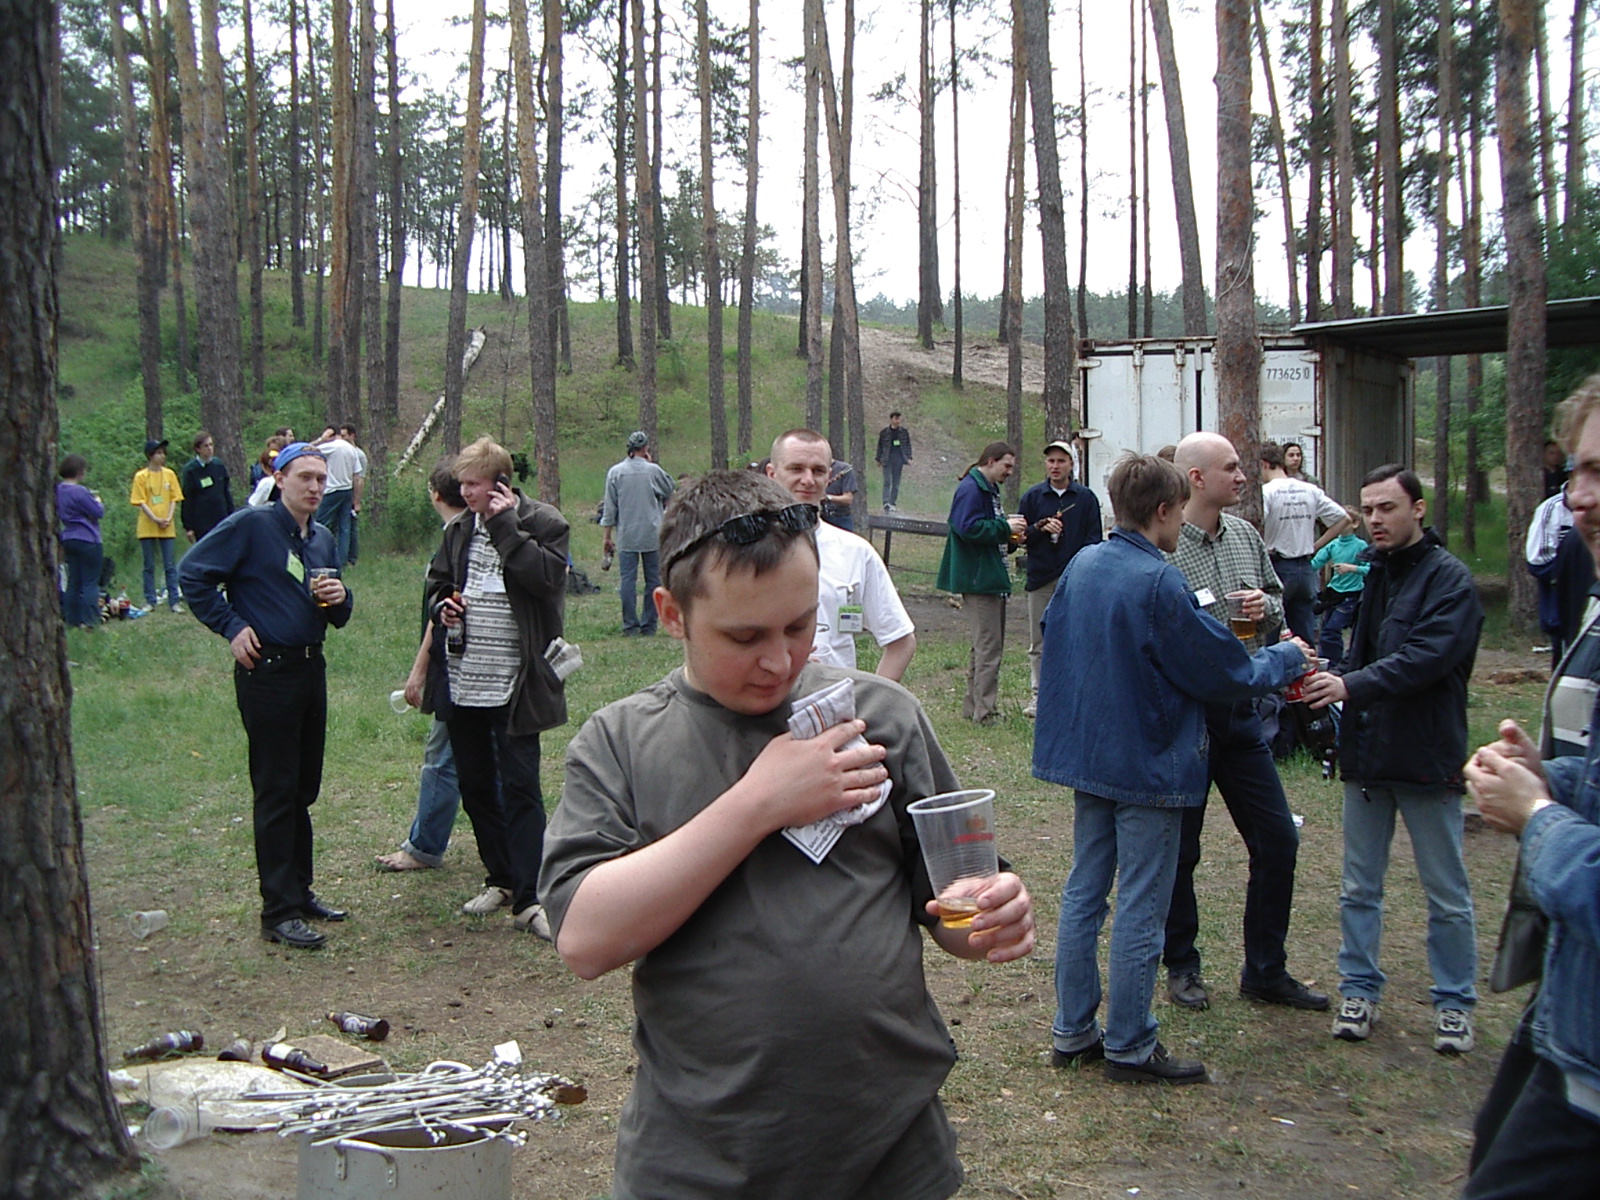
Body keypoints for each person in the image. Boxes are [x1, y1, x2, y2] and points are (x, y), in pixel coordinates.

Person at [539, 468, 1035, 1198]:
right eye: (744, 636)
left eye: (800, 626)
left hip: (892, 1153)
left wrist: (994, 912)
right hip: (700, 1161)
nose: (780, 661)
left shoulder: (882, 717)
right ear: (671, 613)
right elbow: (585, 940)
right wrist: (758, 803)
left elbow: (954, 906)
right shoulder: (621, 742)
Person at [1036, 453, 1310, 1084]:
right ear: (1163, 511)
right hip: (1148, 763)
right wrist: (1287, 657)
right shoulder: (1160, 581)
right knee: (1141, 901)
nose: (1182, 522)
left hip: (1093, 755)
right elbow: (1223, 670)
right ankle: (1131, 1045)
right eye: (1179, 511)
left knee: (1085, 893)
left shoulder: (1084, 563)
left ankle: (1073, 1030)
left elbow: (1058, 632)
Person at [1459, 375, 1600, 1198]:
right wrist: (1559, 778)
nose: (1580, 498)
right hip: (1569, 1023)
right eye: (1577, 472)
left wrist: (1539, 815)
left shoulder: (1447, 580)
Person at [1303, 464, 1483, 1053]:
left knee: (1445, 891)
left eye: (1388, 508)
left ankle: (1454, 1002)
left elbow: (1425, 659)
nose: (1375, 520)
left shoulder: (1450, 581)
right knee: (1359, 885)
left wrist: (1349, 686)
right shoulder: (1376, 571)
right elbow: (1365, 654)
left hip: (1426, 754)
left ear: (1418, 509)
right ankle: (1358, 989)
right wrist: (1328, 672)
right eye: (1369, 509)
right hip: (1369, 752)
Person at [1159, 432, 1328, 1014]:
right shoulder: (1165, 545)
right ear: (1197, 478)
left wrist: (1264, 604)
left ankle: (1265, 971)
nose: (1242, 476)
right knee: (1181, 852)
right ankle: (1182, 965)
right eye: (1231, 468)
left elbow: (1279, 604)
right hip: (1187, 720)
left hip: (1243, 715)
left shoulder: (1246, 536)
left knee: (1278, 838)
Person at [178, 442, 353, 949]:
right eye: (305, 477)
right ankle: (278, 912)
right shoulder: (251, 526)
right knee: (276, 789)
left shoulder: (321, 537)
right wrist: (231, 626)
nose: (315, 487)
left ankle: (300, 892)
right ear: (279, 479)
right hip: (267, 671)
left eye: (321, 479)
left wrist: (342, 597)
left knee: (303, 788)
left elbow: (338, 616)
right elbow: (192, 573)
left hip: (309, 668)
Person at [427, 436, 568, 938]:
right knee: (475, 784)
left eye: (474, 484)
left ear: (501, 483)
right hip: (463, 677)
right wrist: (442, 606)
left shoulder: (543, 522)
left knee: (521, 786)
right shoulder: (459, 529)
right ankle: (501, 877)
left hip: (515, 680)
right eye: (461, 484)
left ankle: (531, 897)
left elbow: (546, 579)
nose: (465, 493)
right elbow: (437, 583)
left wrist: (506, 527)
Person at [377, 461, 471, 872]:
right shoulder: (477, 533)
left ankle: (423, 847)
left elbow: (444, 616)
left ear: (435, 494)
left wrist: (418, 672)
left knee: (441, 758)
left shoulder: (457, 539)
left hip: (457, 668)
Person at [768, 429, 917, 680]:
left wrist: (869, 699)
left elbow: (901, 641)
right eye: (796, 469)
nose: (808, 480)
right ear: (772, 474)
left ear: (829, 477)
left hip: (833, 699)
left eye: (818, 471)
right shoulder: (742, 550)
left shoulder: (855, 552)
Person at [936, 442, 1027, 723]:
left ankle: (973, 707)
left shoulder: (988, 489)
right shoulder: (971, 489)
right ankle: (985, 713)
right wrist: (1005, 527)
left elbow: (987, 532)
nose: (1010, 472)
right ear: (990, 461)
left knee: (983, 646)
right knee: (988, 647)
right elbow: (967, 527)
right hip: (978, 579)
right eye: (1006, 466)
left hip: (989, 576)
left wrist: (1011, 537)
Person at [1018, 439, 1103, 718]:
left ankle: (1075, 693)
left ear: (1071, 465)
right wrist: (1040, 527)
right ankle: (1039, 695)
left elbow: (1094, 539)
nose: (1055, 466)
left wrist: (1081, 568)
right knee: (1039, 641)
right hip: (1041, 577)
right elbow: (1019, 537)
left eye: (1061, 461)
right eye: (1051, 461)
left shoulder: (1085, 499)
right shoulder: (1033, 497)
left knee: (1077, 636)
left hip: (1075, 579)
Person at [1261, 442, 1350, 645]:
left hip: (1277, 565)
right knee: (1305, 633)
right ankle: (1307, 665)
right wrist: (1315, 546)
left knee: (1272, 632)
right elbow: (1342, 519)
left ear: (1264, 464)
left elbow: (1257, 526)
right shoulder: (1309, 489)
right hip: (1306, 567)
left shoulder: (1266, 492)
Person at [600, 430, 676, 637]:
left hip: (627, 535)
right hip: (652, 534)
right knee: (653, 580)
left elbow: (610, 509)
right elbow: (670, 488)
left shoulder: (615, 472)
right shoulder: (653, 471)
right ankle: (649, 625)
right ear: (646, 448)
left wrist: (607, 537)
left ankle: (630, 625)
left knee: (627, 580)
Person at [1526, 486, 1594, 669]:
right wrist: (1577, 573)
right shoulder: (1552, 509)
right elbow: (1538, 561)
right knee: (1569, 665)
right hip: (1567, 609)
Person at [1308, 506, 1368, 670]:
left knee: (1331, 631)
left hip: (1351, 596)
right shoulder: (1332, 545)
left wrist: (1352, 568)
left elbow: (1370, 568)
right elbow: (1315, 563)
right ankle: (1327, 663)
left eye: (1343, 522)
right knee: (1326, 631)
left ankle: (1335, 666)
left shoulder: (1361, 546)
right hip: (1332, 594)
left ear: (1355, 524)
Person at [130, 437, 184, 613]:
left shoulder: (169, 474)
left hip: (167, 526)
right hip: (147, 526)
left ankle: (174, 600)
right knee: (149, 565)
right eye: (158, 453)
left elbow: (175, 498)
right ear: (150, 455)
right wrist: (155, 518)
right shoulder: (141, 476)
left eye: (163, 453)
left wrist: (168, 517)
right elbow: (140, 501)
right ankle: (150, 600)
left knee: (170, 565)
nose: (162, 456)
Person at [56, 454, 105, 631]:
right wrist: (98, 502)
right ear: (79, 471)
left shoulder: (58, 490)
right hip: (88, 538)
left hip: (68, 537)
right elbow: (98, 512)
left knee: (73, 581)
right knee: (90, 582)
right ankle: (90, 620)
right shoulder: (80, 491)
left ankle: (71, 619)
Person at [314, 424, 363, 567]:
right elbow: (357, 477)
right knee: (344, 528)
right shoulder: (352, 449)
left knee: (320, 524)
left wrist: (321, 439)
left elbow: (305, 450)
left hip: (332, 491)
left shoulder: (331, 446)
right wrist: (356, 499)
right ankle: (342, 561)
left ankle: (318, 557)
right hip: (347, 490)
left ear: (331, 434)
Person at [180, 430, 235, 544]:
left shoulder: (218, 465)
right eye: (206, 446)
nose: (210, 448)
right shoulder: (191, 470)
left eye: (211, 445)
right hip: (202, 522)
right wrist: (189, 527)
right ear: (198, 449)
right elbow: (188, 499)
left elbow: (226, 492)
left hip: (221, 517)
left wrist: (232, 515)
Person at [337, 423, 368, 565]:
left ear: (352, 435)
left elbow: (360, 479)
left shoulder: (359, 455)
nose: (342, 439)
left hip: (350, 492)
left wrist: (357, 501)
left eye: (344, 436)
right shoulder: (342, 451)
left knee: (351, 526)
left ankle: (352, 558)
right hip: (343, 490)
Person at [875, 411, 914, 510]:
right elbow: (880, 446)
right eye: (896, 418)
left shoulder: (904, 432)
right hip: (887, 459)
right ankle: (885, 502)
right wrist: (878, 459)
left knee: (896, 483)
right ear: (891, 419)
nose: (898, 421)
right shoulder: (884, 433)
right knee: (887, 481)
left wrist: (909, 457)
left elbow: (908, 445)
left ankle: (892, 503)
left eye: (899, 418)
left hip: (899, 460)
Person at [822, 457, 860, 532]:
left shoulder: (844, 469)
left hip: (840, 519)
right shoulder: (812, 470)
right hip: (820, 519)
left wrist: (827, 497)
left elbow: (848, 499)